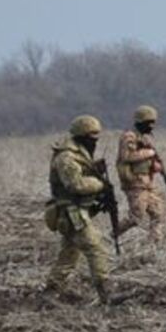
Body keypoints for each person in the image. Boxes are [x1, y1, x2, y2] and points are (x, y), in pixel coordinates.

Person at [43, 114, 114, 304]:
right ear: (81, 135)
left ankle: (50, 294)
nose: (95, 140)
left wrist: (93, 168)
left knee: (69, 254)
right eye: (92, 136)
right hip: (71, 212)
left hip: (75, 211)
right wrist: (99, 183)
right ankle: (106, 294)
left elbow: (81, 172)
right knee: (95, 247)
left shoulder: (78, 150)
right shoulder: (66, 157)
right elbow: (76, 185)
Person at [116, 104, 166, 243]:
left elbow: (146, 160)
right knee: (136, 217)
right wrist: (149, 153)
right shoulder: (129, 136)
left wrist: (155, 165)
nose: (152, 126)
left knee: (158, 213)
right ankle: (110, 236)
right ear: (141, 122)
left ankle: (154, 244)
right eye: (149, 123)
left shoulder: (145, 137)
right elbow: (127, 156)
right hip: (135, 183)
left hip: (147, 183)